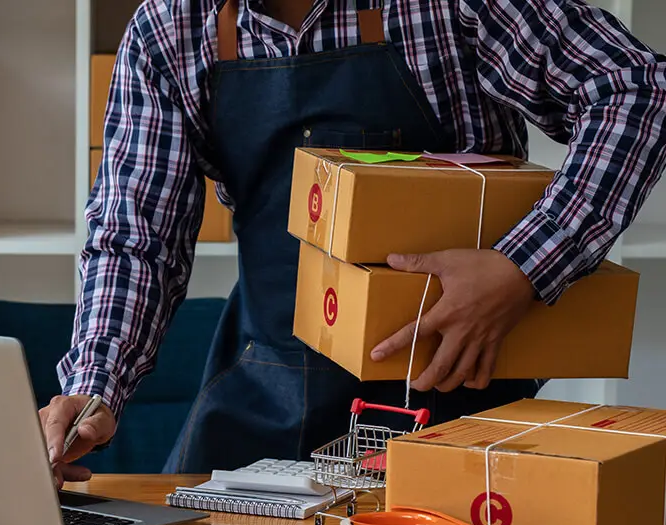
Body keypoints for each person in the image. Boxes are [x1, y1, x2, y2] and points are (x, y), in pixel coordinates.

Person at [41, 0, 666, 485]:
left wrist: (523, 265)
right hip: (266, 395)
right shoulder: (171, 27)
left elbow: (638, 88)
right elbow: (135, 236)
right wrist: (96, 384)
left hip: (456, 395)